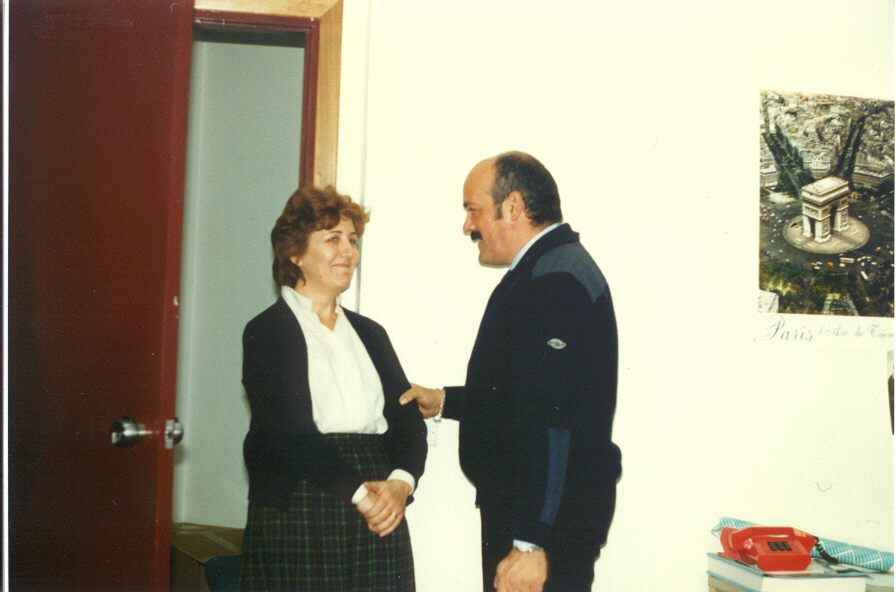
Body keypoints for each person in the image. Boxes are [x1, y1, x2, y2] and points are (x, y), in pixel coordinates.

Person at [401, 152, 621, 592]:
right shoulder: (544, 270)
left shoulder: (555, 281)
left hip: (542, 529)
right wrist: (444, 400)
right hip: (533, 517)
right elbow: (521, 396)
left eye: (473, 209)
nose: (467, 225)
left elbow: (552, 420)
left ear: (513, 206)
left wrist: (530, 543)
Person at [238, 185, 427, 592]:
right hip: (302, 500)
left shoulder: (371, 334)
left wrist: (400, 484)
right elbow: (289, 432)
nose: (349, 252)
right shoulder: (266, 331)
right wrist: (360, 495)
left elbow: (407, 417)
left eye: (353, 240)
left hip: (378, 497)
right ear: (295, 253)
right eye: (333, 239)